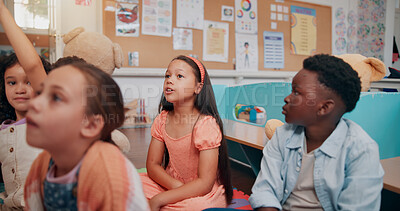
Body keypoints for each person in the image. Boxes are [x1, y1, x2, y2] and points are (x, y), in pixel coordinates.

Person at [249, 54, 384, 211]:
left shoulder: (361, 150)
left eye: (296, 92)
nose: (287, 98)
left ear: (324, 108)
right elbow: (265, 191)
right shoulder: (282, 135)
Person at [23, 62, 149, 210]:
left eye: (56, 98)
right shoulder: (42, 164)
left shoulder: (111, 178)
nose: (33, 103)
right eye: (39, 93)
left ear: (91, 125)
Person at [140, 55, 232, 210]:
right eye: (167, 75)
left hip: (200, 193)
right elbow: (153, 165)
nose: (170, 80)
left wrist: (159, 199)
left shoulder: (206, 124)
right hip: (170, 183)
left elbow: (204, 183)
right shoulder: (162, 119)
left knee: (195, 207)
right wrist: (175, 187)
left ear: (198, 87)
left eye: (179, 76)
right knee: (126, 183)